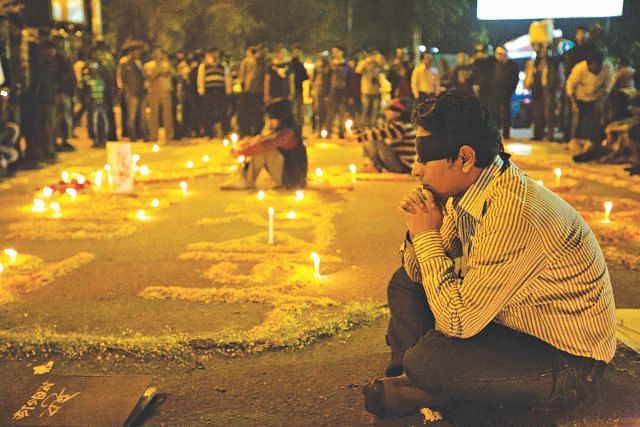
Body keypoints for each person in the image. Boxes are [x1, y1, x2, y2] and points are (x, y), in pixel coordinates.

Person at [362, 90, 616, 418]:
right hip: (506, 323)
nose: (416, 170)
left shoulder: (514, 212)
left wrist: (426, 235)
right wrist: (419, 232)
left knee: (429, 358)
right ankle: (410, 379)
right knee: (404, 283)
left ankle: (420, 382)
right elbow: (417, 274)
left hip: (566, 360)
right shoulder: (468, 190)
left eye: (424, 158)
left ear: (465, 158)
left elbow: (457, 321)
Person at [221, 98, 307, 190]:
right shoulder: (285, 130)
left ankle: (246, 180)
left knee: (264, 152)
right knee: (260, 149)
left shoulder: (288, 134)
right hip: (291, 177)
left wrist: (240, 152)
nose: (270, 122)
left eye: (272, 118)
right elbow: (263, 139)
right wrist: (243, 146)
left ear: (281, 118)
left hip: (292, 180)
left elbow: (266, 145)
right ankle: (243, 177)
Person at [353, 98, 415, 174]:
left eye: (391, 109)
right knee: (371, 138)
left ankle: (372, 166)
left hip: (403, 165)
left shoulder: (401, 126)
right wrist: (356, 133)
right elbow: (378, 130)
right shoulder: (399, 124)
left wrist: (357, 138)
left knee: (375, 140)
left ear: (399, 113)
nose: (386, 112)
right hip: (400, 163)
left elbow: (379, 134)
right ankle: (372, 166)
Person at [566, 49, 612, 145]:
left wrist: (601, 100)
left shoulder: (607, 68)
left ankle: (591, 141)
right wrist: (573, 102)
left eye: (598, 66)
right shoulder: (579, 68)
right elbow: (570, 85)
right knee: (578, 120)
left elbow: (607, 87)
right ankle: (576, 140)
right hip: (579, 97)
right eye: (594, 66)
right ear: (589, 64)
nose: (596, 68)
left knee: (593, 120)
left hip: (596, 97)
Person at [489, 46, 519, 139]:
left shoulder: (512, 65)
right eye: (499, 54)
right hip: (494, 92)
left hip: (506, 92)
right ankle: (496, 133)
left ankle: (506, 133)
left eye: (502, 54)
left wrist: (511, 90)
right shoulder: (492, 65)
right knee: (495, 113)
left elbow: (515, 79)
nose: (501, 56)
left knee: (506, 113)